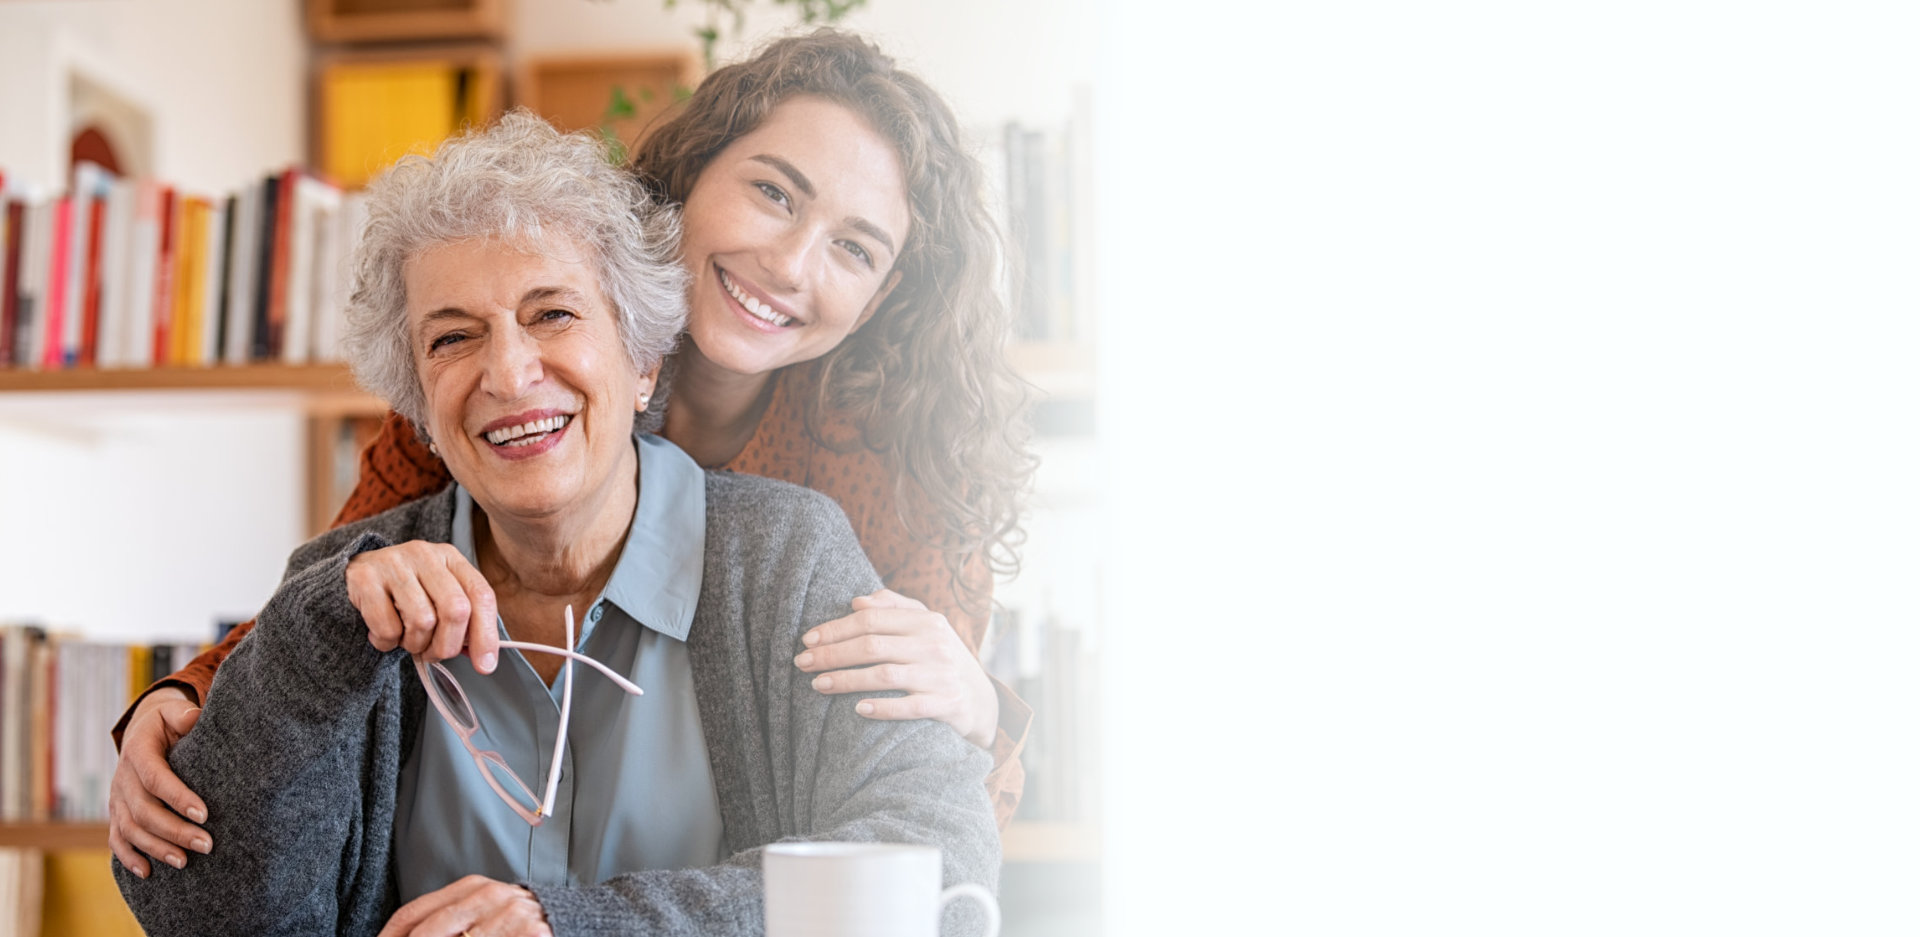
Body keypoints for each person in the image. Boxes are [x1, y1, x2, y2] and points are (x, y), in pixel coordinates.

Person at [108, 29, 1038, 880]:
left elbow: (931, 836)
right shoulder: (494, 389)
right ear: (691, 178)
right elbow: (348, 586)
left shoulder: (892, 476)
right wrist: (187, 696)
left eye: (854, 247)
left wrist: (986, 714)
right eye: (772, 192)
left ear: (877, 299)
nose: (792, 264)